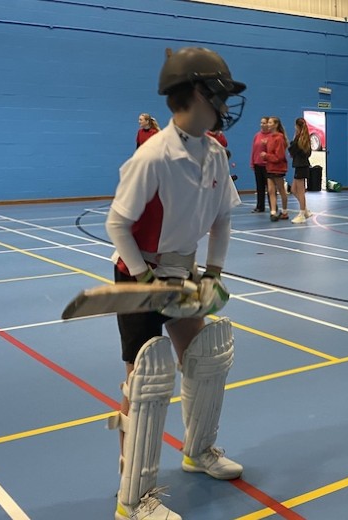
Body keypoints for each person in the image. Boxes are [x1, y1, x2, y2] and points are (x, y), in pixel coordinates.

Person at [105, 46, 246, 520]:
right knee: (144, 381)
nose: (226, 106)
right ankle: (134, 495)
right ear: (196, 95)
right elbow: (117, 225)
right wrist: (145, 278)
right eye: (220, 95)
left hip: (183, 273)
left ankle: (197, 450)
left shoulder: (216, 152)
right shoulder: (153, 157)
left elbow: (223, 218)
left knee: (207, 357)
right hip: (139, 275)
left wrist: (214, 272)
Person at [263, 116, 289, 221]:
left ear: (276, 125)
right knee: (270, 191)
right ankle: (273, 212)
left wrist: (266, 156)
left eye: (270, 123)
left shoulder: (279, 138)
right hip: (270, 168)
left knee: (281, 190)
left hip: (278, 168)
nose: (267, 125)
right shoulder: (270, 137)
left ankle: (284, 211)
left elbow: (279, 156)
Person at [288, 118, 313, 223]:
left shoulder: (299, 139)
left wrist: (292, 141)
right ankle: (306, 210)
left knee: (301, 191)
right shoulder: (304, 138)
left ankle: (301, 214)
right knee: (293, 190)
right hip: (301, 166)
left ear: (297, 126)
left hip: (301, 166)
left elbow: (291, 150)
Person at [249, 117, 270, 213]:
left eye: (264, 123)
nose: (262, 125)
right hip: (257, 164)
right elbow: (254, 150)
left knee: (270, 187)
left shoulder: (271, 136)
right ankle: (260, 206)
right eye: (261, 123)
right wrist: (252, 162)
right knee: (259, 187)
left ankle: (273, 206)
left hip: (268, 165)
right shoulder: (257, 135)